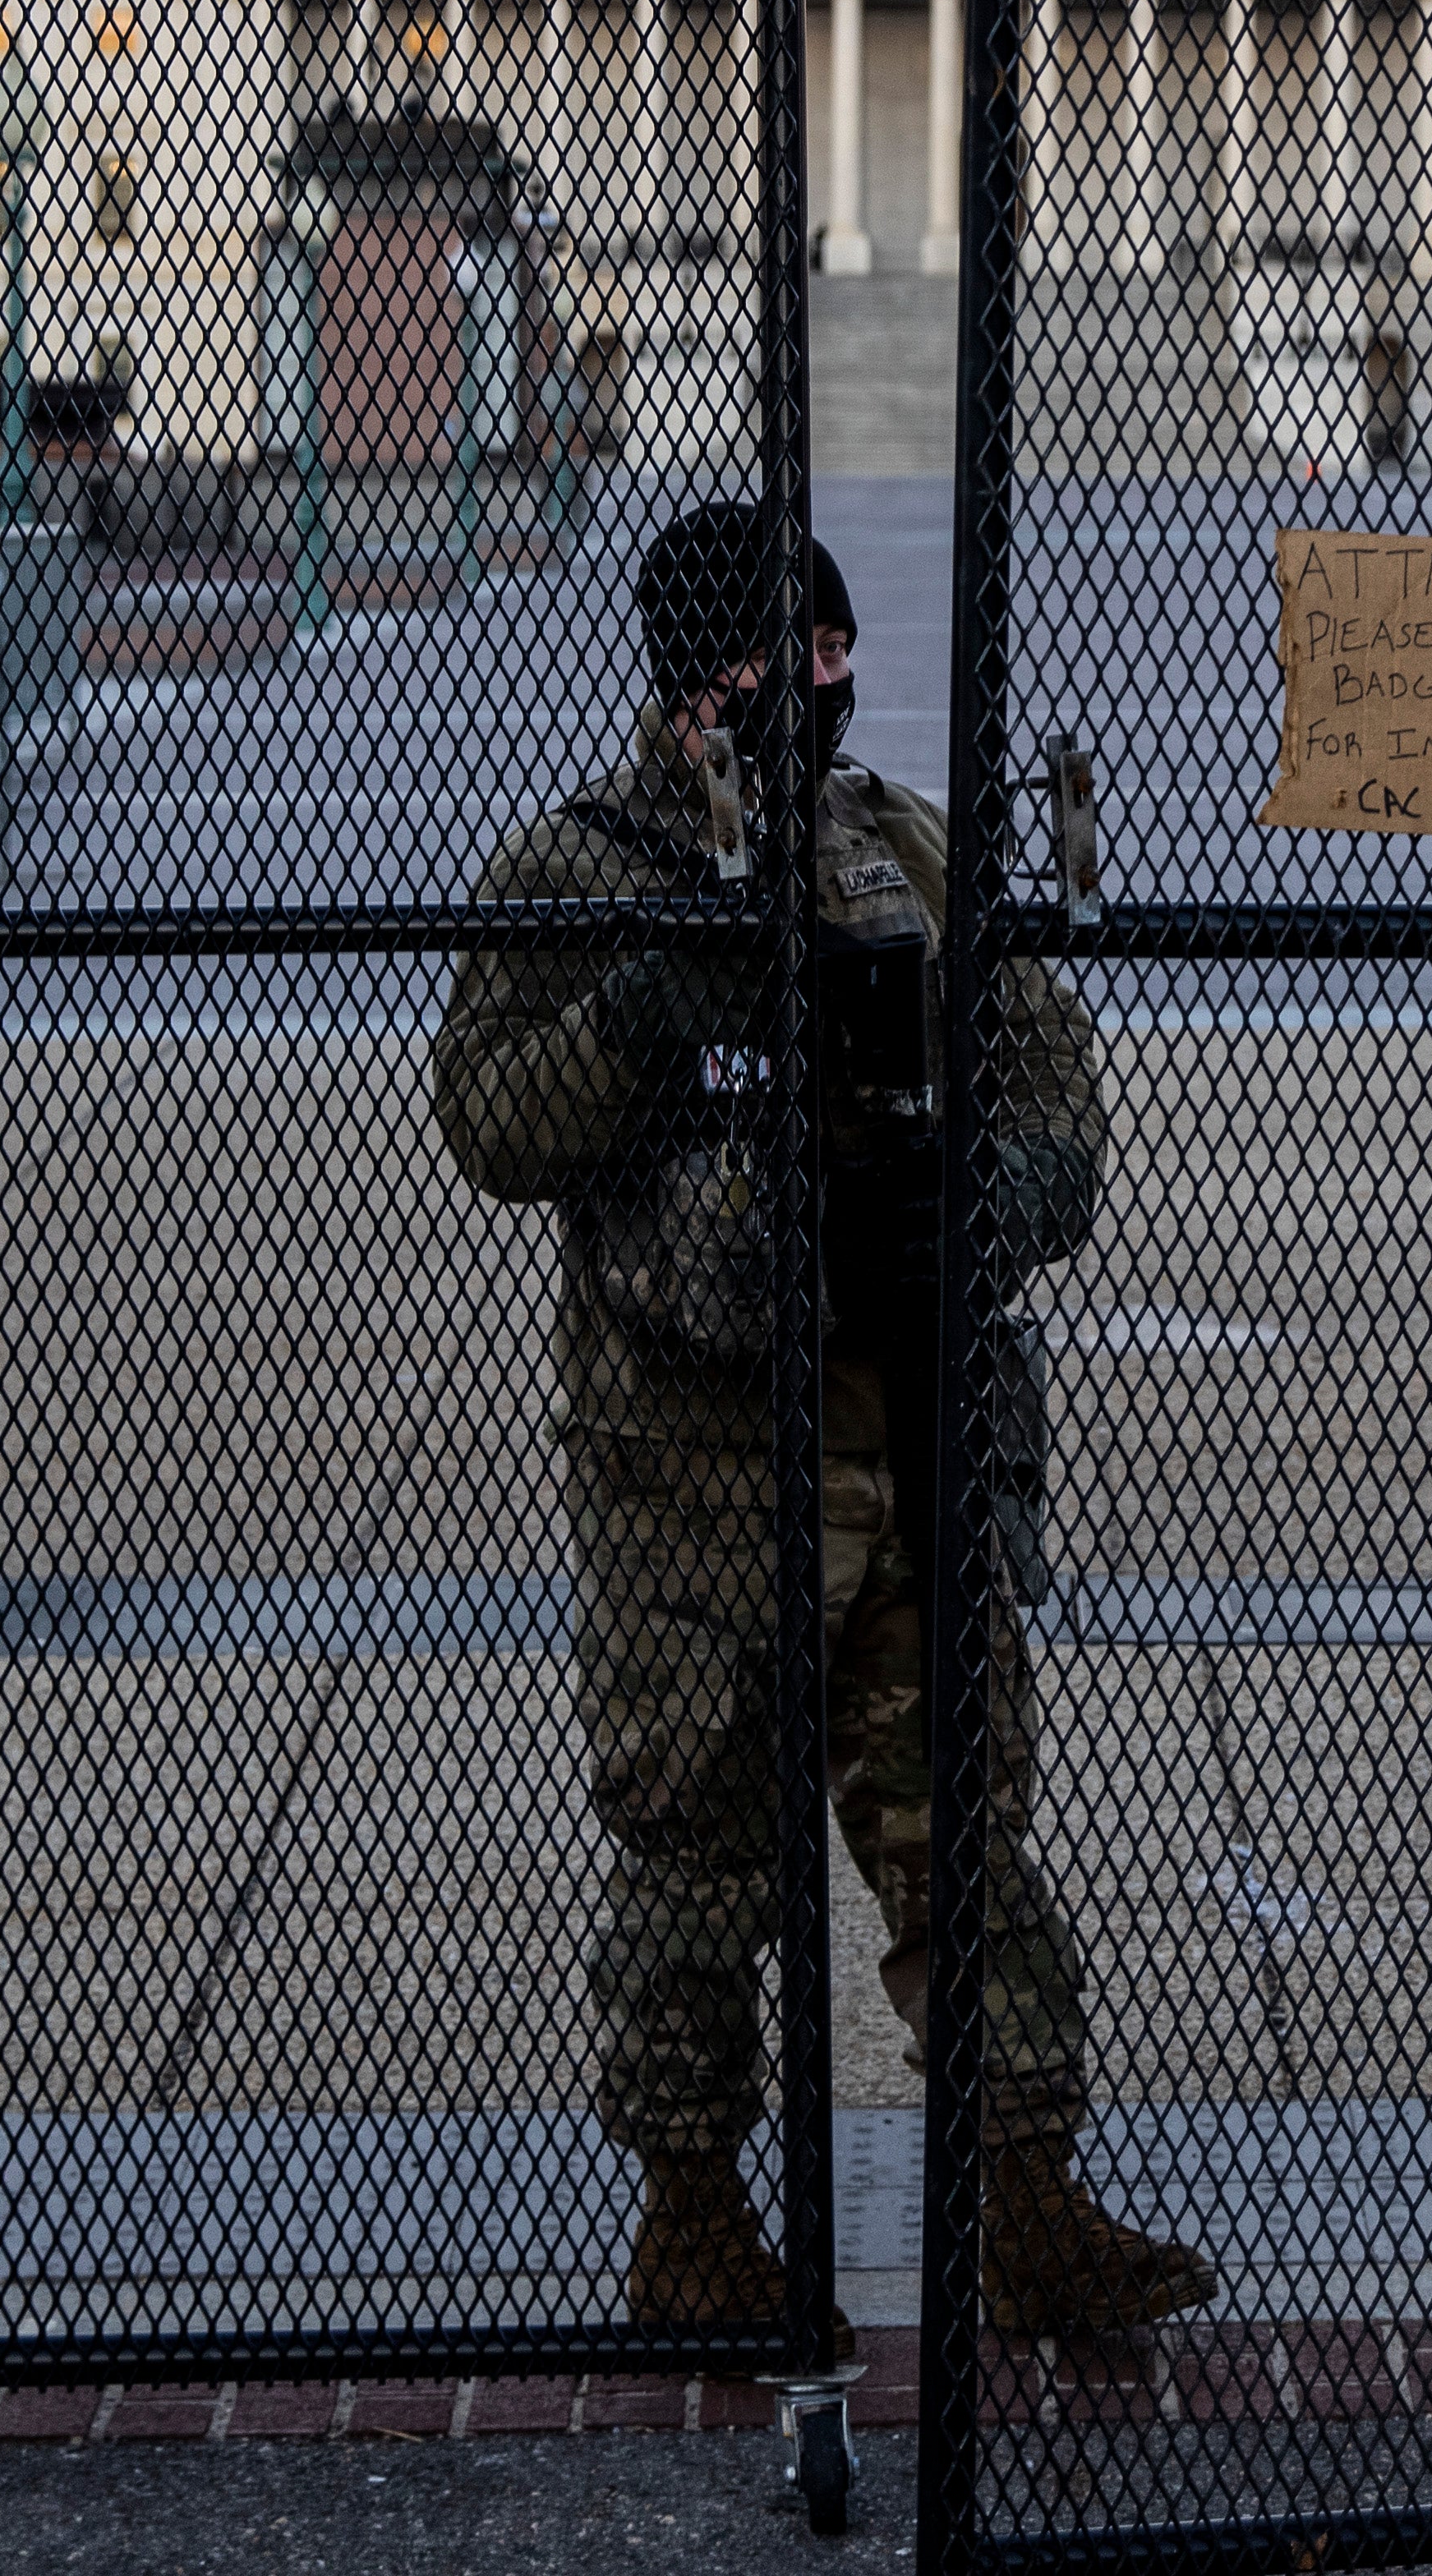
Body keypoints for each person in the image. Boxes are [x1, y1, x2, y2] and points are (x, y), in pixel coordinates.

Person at [429, 504, 1215, 2338]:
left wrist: (1011, 1189)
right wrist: (642, 1011)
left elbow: (1043, 1062)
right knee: (700, 1853)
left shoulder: (908, 852)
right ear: (693, 675)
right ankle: (689, 2226)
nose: (818, 688)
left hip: (914, 1428)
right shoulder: (576, 868)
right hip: (707, 1467)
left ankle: (1028, 2204)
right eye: (779, 658)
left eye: (836, 653)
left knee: (970, 1842)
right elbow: (485, 1123)